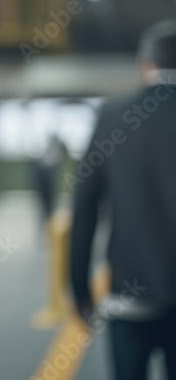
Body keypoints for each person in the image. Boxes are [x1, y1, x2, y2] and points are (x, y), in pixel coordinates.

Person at [69, 19, 176, 379]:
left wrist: (80, 290)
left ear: (145, 64)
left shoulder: (113, 117)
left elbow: (84, 207)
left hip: (130, 296)